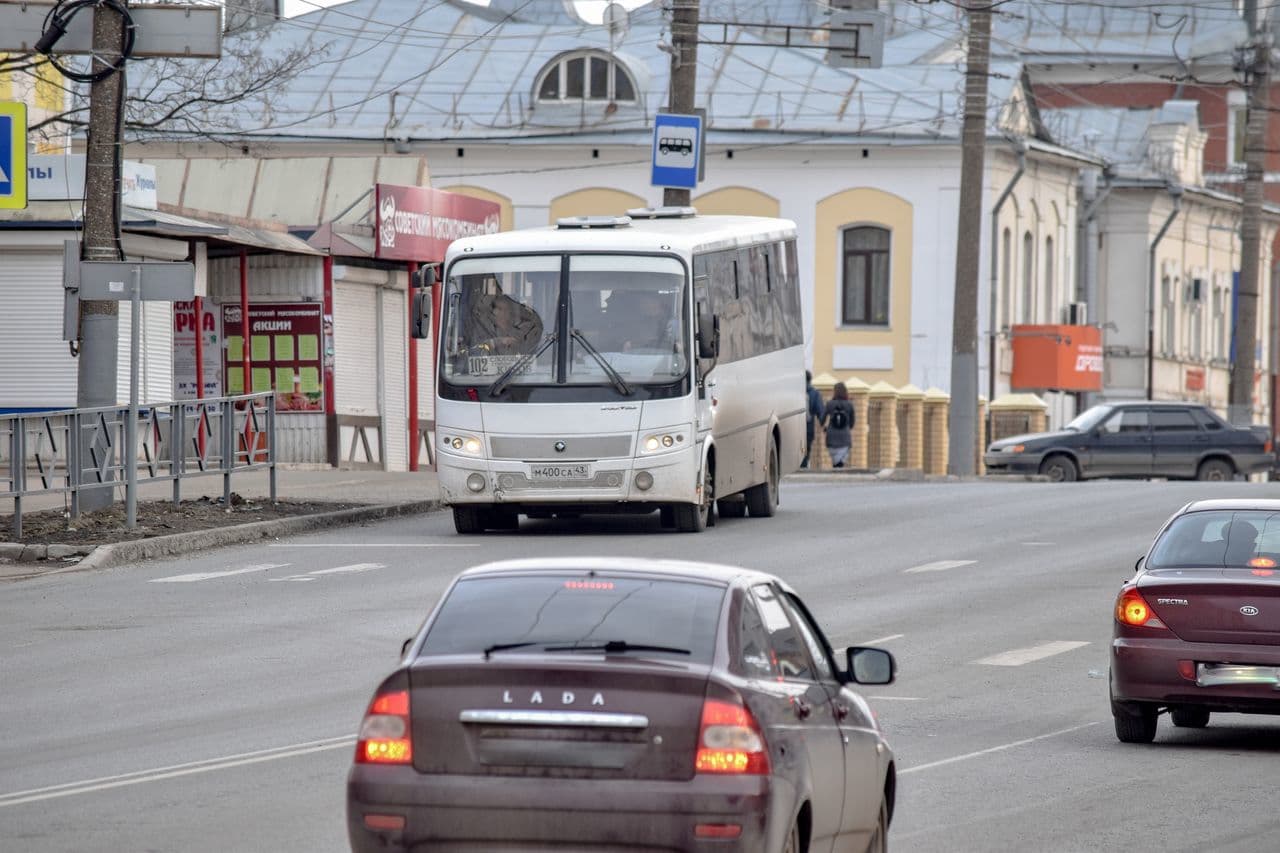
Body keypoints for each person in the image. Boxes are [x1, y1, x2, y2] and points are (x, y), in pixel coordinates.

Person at [824, 381, 854, 468]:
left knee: (835, 462)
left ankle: (837, 466)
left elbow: (822, 419)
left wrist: (825, 427)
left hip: (831, 437)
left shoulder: (830, 404)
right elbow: (852, 423)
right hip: (845, 437)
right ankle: (839, 466)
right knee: (840, 462)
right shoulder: (849, 405)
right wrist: (847, 428)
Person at [800, 371, 824, 468]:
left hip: (794, 426)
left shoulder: (794, 391)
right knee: (806, 448)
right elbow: (820, 410)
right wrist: (823, 424)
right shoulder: (814, 393)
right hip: (808, 427)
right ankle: (803, 465)